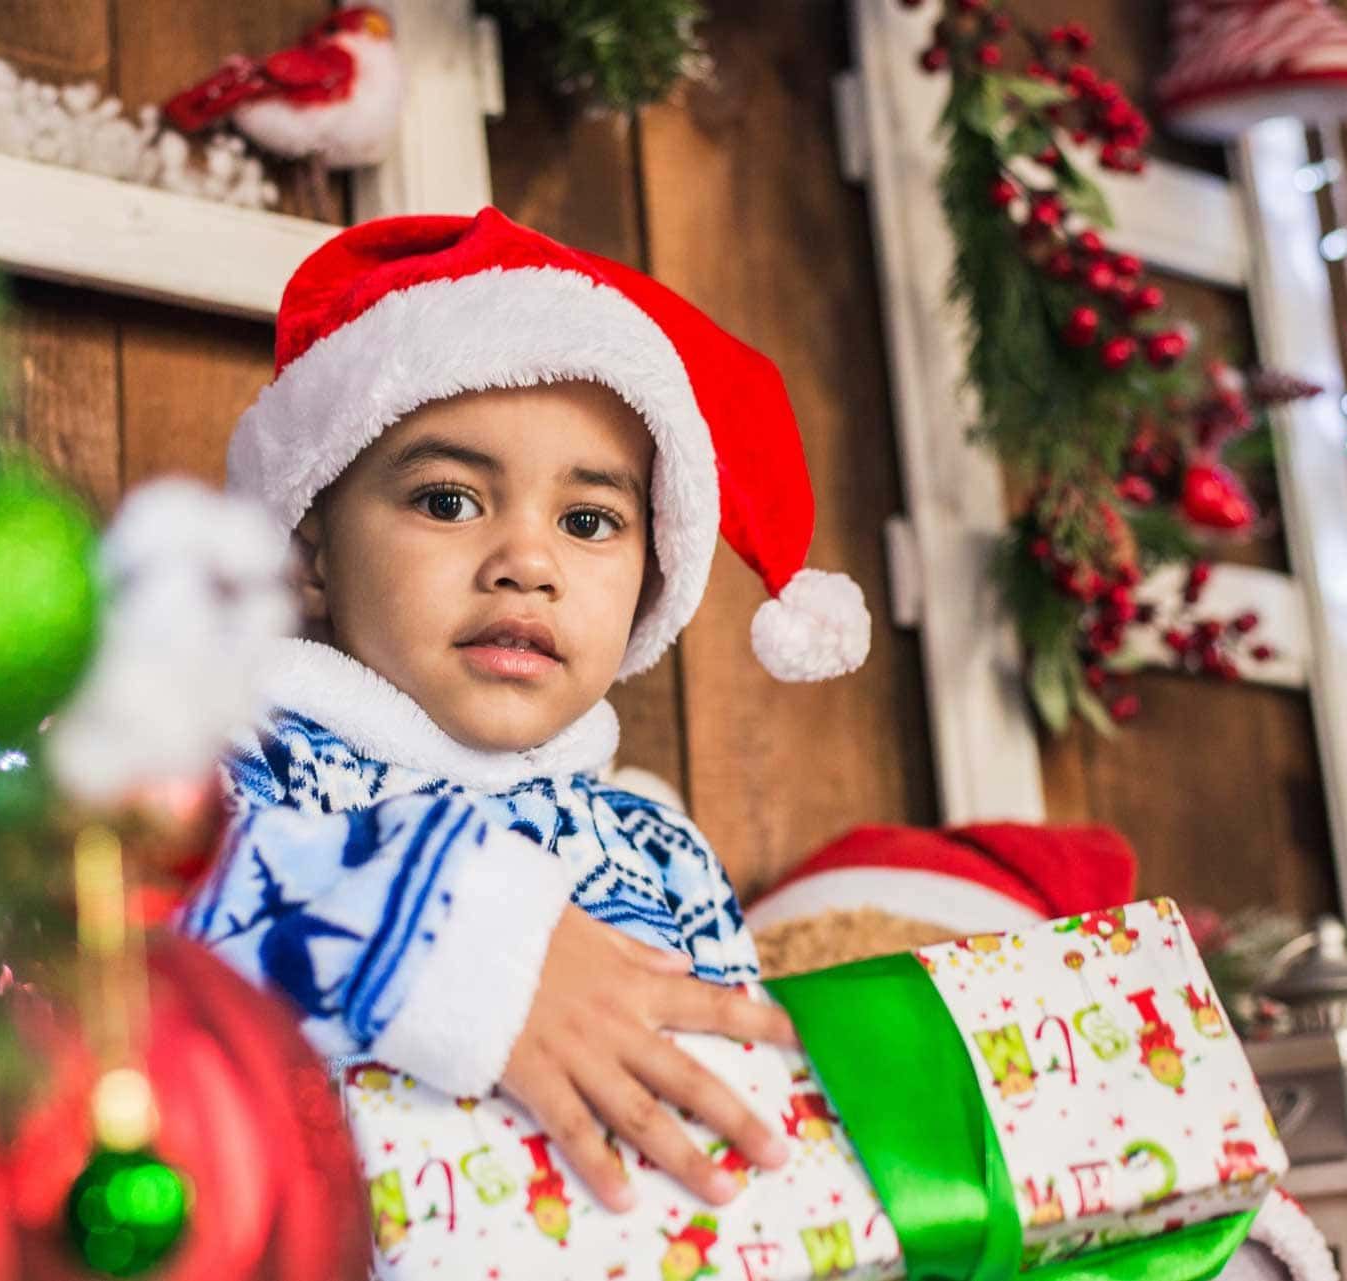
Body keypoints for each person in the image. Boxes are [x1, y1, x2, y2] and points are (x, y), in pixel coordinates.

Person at [178, 206, 871, 1215]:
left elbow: (740, 1123)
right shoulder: (236, 765)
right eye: (449, 501)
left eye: (588, 522)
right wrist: (468, 949)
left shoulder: (658, 854)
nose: (527, 564)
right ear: (315, 550)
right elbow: (122, 920)